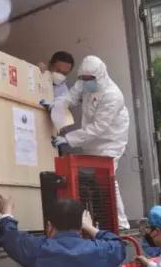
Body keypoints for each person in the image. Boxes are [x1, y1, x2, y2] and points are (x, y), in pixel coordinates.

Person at [49, 56, 130, 230]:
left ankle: (121, 223)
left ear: (100, 75)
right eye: (83, 78)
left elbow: (98, 127)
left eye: (89, 79)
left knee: (108, 178)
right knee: (94, 181)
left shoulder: (112, 96)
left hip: (111, 140)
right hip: (92, 141)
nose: (85, 82)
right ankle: (98, 220)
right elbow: (70, 97)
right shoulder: (85, 81)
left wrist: (68, 138)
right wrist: (56, 104)